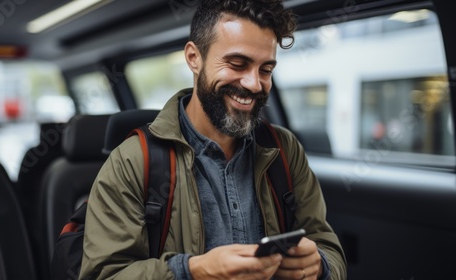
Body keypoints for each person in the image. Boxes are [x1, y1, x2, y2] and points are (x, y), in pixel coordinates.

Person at [79, 0, 347, 279]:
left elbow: (326, 243)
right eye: (237, 64)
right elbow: (103, 274)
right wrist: (193, 271)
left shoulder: (283, 149)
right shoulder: (133, 161)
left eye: (266, 70)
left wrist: (320, 266)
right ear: (194, 58)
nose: (254, 84)